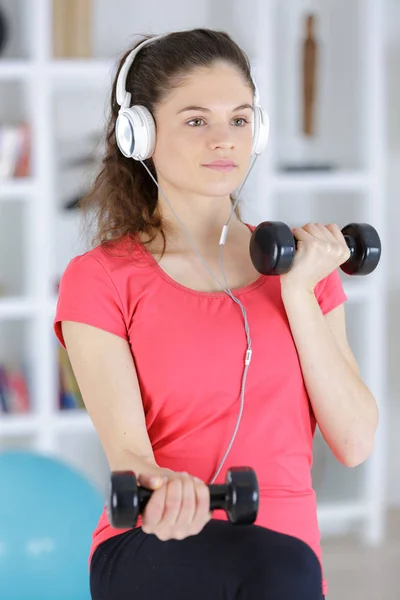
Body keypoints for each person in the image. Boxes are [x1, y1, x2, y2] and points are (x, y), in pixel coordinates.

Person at [53, 28, 378, 600]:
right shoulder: (101, 277)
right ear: (140, 134)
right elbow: (128, 453)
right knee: (277, 573)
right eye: (197, 120)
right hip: (156, 537)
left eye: (240, 119)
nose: (224, 139)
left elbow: (353, 442)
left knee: (282, 570)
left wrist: (299, 293)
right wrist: (168, 488)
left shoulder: (304, 270)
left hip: (287, 562)